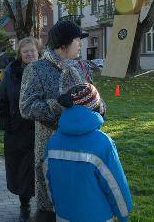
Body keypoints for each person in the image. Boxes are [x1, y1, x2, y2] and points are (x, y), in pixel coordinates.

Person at [19, 20, 94, 222]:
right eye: (78, 40)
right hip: (50, 150)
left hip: (82, 149)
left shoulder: (83, 68)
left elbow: (94, 100)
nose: (80, 44)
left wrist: (98, 106)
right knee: (50, 207)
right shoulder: (36, 69)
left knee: (79, 204)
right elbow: (26, 107)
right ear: (64, 45)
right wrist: (58, 106)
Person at [45, 83, 132, 222]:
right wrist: (124, 214)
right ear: (96, 107)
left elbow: (49, 179)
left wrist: (57, 207)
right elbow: (115, 185)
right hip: (98, 217)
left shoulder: (53, 141)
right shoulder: (102, 142)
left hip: (63, 215)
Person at [0, 37, 39, 222]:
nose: (29, 54)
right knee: (22, 170)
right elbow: (2, 100)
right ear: (20, 54)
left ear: (39, 52)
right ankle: (25, 206)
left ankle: (46, 207)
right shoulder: (11, 72)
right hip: (18, 129)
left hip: (42, 128)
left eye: (32, 51)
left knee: (42, 169)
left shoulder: (45, 70)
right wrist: (6, 124)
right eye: (25, 51)